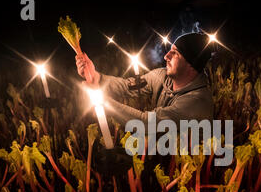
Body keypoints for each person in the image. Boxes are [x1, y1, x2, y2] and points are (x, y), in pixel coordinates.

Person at [76, 32, 214, 127]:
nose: (166, 56)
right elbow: (127, 86)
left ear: (191, 64)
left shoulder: (197, 102)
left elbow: (146, 123)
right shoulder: (161, 76)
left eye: (175, 53)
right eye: (170, 50)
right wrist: (96, 77)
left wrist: (103, 101)